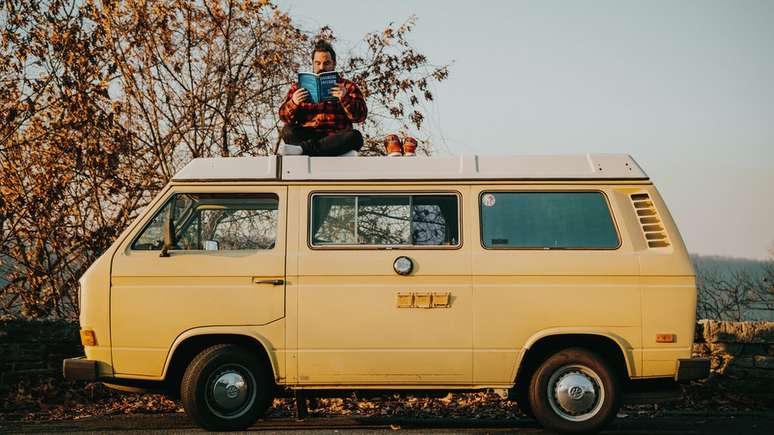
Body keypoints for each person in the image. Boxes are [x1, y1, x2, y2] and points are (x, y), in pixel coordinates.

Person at [277, 41, 367, 156]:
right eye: (317, 63)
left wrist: (345, 98)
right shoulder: (299, 87)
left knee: (355, 137)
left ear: (334, 63)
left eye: (326, 63)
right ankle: (319, 150)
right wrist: (294, 102)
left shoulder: (347, 86)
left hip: (335, 137)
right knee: (288, 131)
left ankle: (303, 150)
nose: (321, 67)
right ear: (313, 63)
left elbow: (360, 116)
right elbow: (284, 117)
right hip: (308, 135)